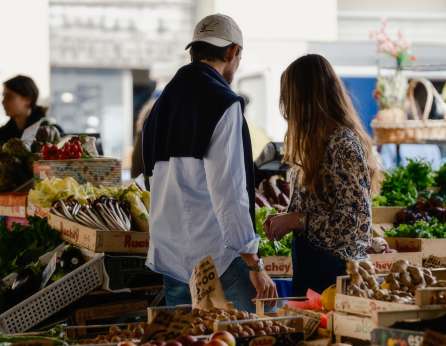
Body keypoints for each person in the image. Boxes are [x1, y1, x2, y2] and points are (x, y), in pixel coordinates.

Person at [142, 14, 277, 311]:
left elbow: (150, 179)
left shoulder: (161, 105)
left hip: (171, 256)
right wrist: (254, 264)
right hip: (218, 257)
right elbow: (229, 192)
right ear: (233, 52)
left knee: (188, 338)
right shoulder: (223, 102)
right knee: (264, 328)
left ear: (195, 51)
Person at [264, 54, 382, 296]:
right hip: (312, 274)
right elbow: (323, 209)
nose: (286, 108)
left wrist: (297, 220)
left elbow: (356, 225)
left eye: (289, 97)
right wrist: (287, 219)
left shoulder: (342, 145)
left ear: (307, 99)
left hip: (335, 279)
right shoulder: (318, 144)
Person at [1, 75, 49, 144]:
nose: (3, 101)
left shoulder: (50, 132)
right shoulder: (3, 135)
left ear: (28, 99)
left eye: (9, 96)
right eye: (4, 96)